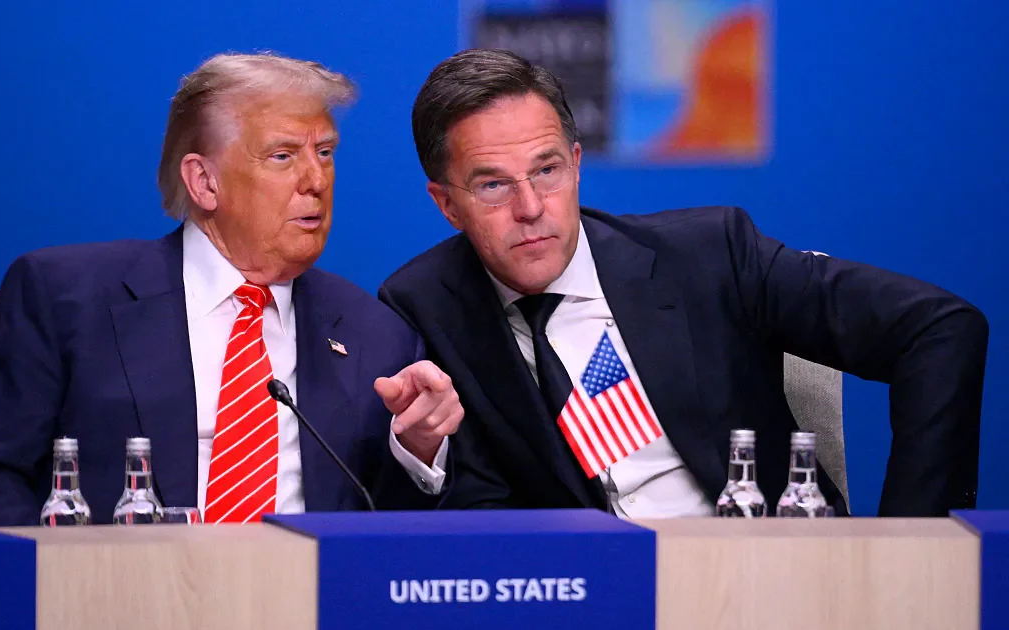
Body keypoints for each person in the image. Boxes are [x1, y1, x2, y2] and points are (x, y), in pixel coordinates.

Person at [379, 48, 988, 517]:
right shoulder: (424, 308)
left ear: (577, 162)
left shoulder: (709, 254)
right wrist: (425, 454)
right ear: (446, 204)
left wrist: (913, 543)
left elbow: (938, 329)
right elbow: (472, 514)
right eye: (493, 185)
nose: (531, 206)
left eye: (548, 170)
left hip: (768, 586)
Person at [0, 53, 462, 526]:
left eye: (325, 152)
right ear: (204, 181)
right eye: (283, 156)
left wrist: (418, 447)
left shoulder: (374, 334)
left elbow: (389, 534)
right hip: (119, 591)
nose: (316, 181)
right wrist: (48, 583)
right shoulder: (65, 298)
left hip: (304, 595)